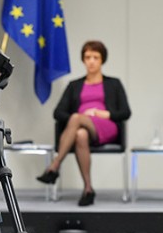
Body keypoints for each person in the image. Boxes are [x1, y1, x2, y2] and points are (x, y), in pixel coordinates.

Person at [36, 40, 131, 206]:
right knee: (80, 134)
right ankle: (88, 189)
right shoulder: (75, 85)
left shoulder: (113, 84)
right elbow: (58, 113)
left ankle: (55, 166)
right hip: (82, 127)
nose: (91, 61)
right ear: (83, 60)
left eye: (96, 57)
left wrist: (104, 113)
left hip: (106, 126)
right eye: (88, 57)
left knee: (75, 118)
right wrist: (81, 118)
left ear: (102, 60)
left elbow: (125, 112)